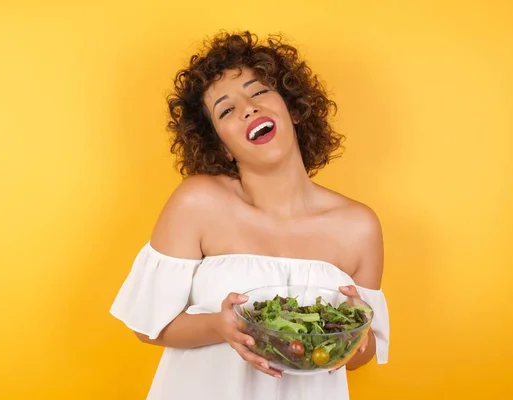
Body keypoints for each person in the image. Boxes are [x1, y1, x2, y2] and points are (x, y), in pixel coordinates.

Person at [110, 31, 390, 400]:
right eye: (226, 109)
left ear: (293, 108)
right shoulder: (197, 203)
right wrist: (222, 327)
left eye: (258, 91)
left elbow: (358, 359)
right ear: (220, 145)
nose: (248, 107)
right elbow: (148, 327)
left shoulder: (359, 226)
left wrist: (355, 330)